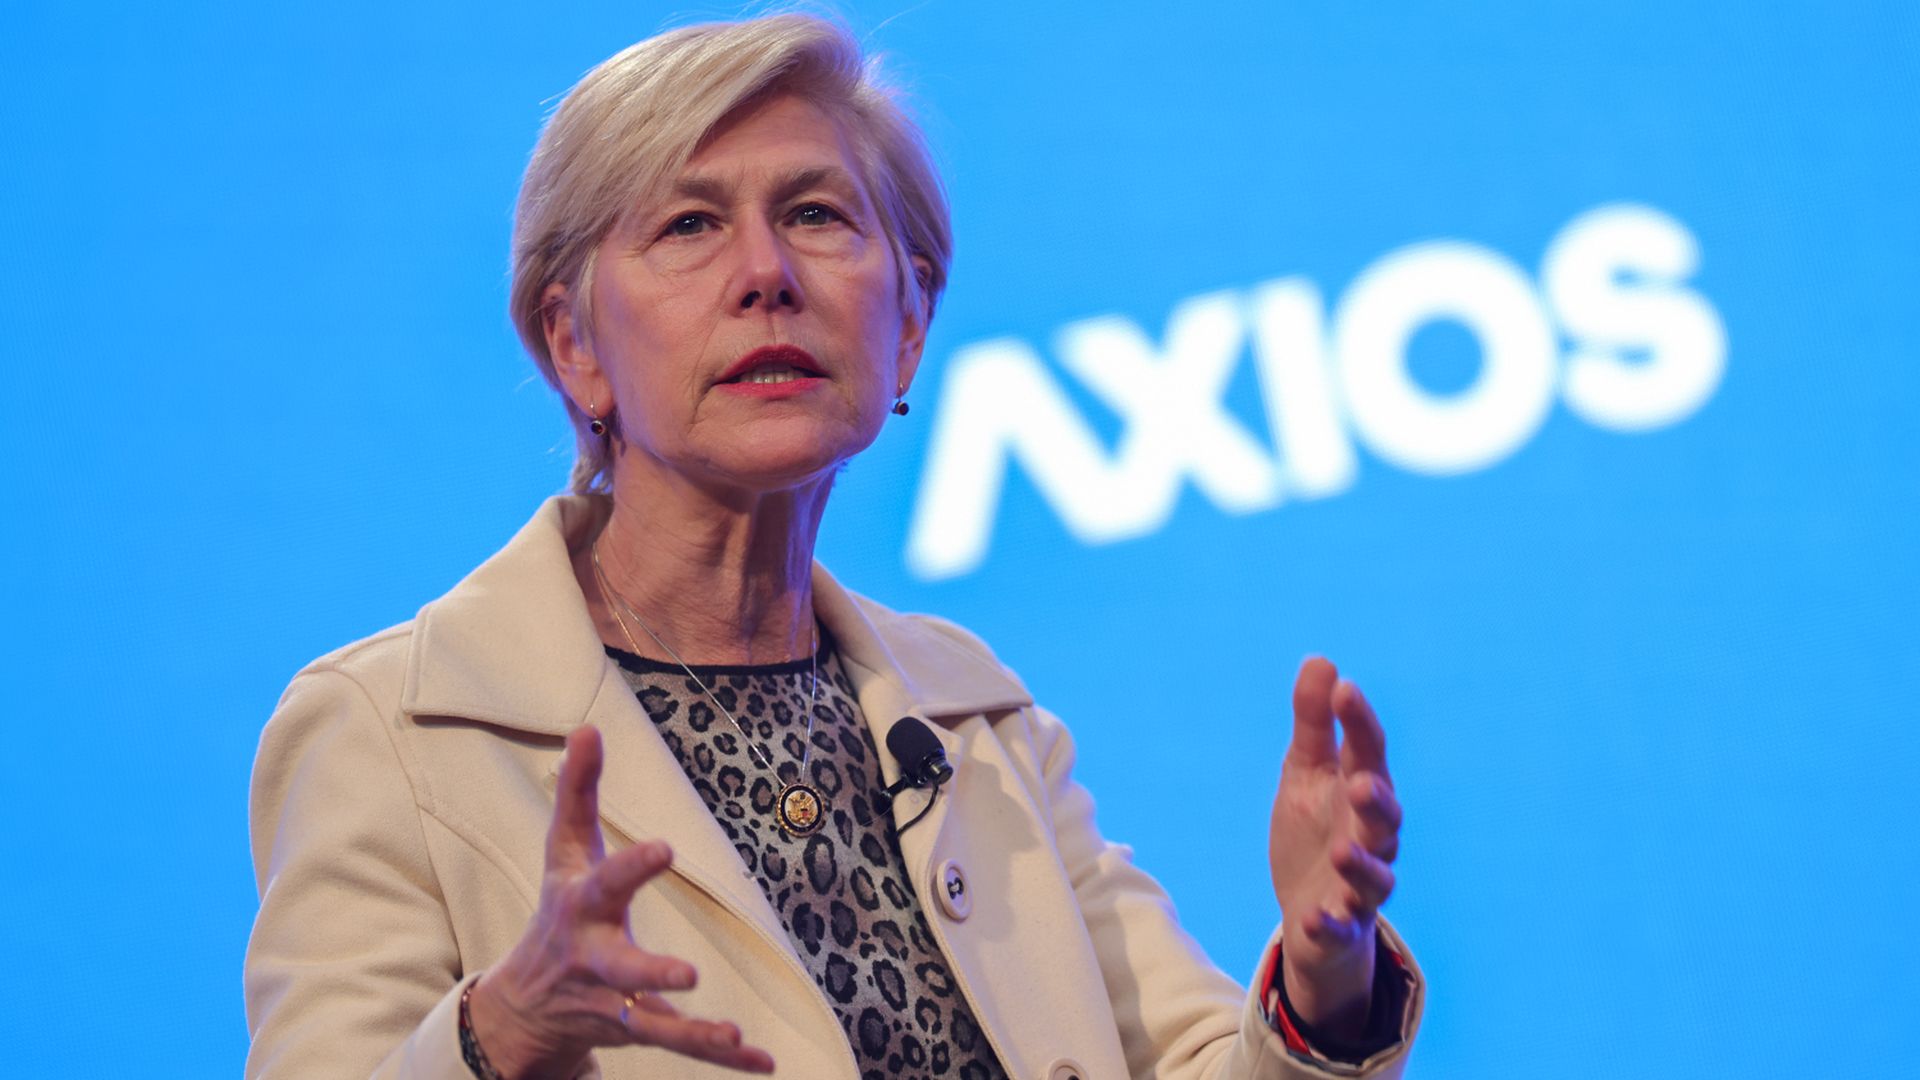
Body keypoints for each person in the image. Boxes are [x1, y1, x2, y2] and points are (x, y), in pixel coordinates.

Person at [243, 13, 1424, 1080]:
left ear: (907, 325)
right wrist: (496, 1036)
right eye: (690, 225)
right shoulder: (392, 732)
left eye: (815, 215)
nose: (766, 275)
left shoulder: (977, 722)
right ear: (574, 345)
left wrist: (1326, 990)